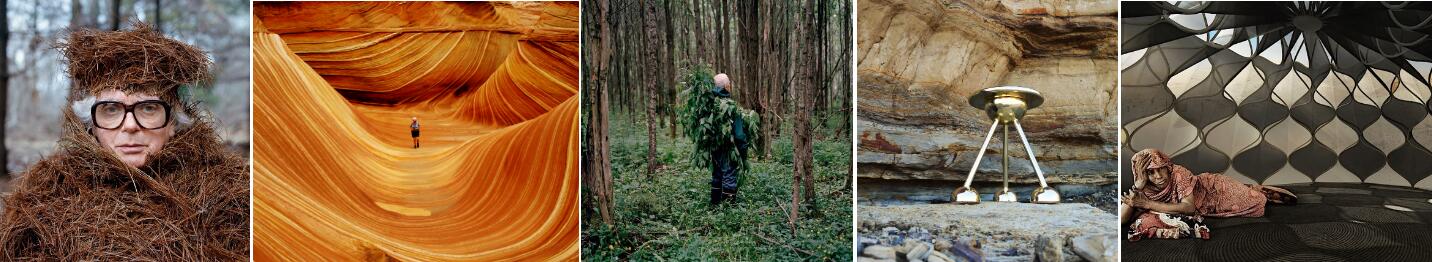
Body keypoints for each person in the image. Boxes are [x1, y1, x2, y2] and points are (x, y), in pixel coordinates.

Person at [0, 23, 249, 259]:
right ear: (92, 126)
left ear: (173, 123)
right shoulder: (44, 200)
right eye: (110, 110)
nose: (130, 125)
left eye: (149, 108)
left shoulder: (234, 197)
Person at [1121, 148, 1296, 240]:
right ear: (1142, 174)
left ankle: (1261, 192)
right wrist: (1138, 186)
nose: (1158, 176)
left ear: (1168, 167)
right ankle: (1252, 189)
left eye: (1161, 170)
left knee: (1253, 200)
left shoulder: (1179, 173)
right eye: (1151, 172)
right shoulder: (1143, 186)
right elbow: (1121, 219)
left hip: (1211, 189)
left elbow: (1188, 208)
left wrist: (1147, 204)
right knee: (1246, 198)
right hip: (1205, 207)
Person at [709, 73, 748, 206]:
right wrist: (743, 151)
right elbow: (739, 135)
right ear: (726, 86)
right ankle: (728, 211)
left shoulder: (709, 105)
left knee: (717, 175)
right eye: (729, 84)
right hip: (728, 149)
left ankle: (714, 206)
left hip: (714, 149)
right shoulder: (731, 107)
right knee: (729, 176)